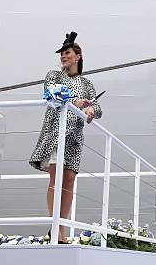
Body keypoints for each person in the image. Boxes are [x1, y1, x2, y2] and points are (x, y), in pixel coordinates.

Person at [29, 32, 102, 243]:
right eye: (62, 53)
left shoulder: (87, 83)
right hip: (56, 132)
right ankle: (56, 227)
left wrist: (90, 111)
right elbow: (51, 93)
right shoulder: (54, 75)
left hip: (74, 136)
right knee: (56, 176)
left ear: (78, 56)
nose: (63, 56)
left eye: (67, 53)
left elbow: (97, 106)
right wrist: (77, 101)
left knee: (69, 179)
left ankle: (63, 223)